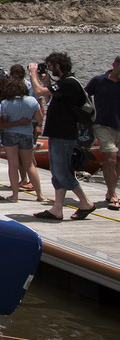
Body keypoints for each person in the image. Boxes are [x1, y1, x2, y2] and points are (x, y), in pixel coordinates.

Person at [35, 52, 99, 222]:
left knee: (61, 170)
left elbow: (38, 91)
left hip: (65, 134)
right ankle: (57, 208)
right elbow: (47, 96)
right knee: (56, 171)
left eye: (50, 66)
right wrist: (47, 83)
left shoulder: (69, 83)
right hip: (57, 132)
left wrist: (33, 74)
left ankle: (85, 202)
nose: (48, 69)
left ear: (58, 66)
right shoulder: (62, 84)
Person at [0, 74, 42, 203]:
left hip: (10, 134)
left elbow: (4, 120)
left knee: (13, 164)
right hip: (27, 134)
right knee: (29, 165)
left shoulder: (5, 103)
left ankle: (15, 195)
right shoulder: (32, 101)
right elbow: (39, 118)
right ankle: (40, 194)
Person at [84, 56, 120, 210]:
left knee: (118, 161)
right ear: (114, 65)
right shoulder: (98, 81)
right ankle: (113, 194)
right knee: (110, 158)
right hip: (103, 125)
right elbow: (83, 98)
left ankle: (109, 191)